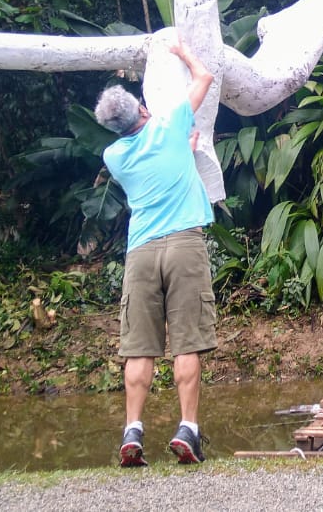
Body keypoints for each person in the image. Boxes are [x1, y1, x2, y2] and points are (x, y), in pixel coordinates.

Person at [93, 39, 217, 467]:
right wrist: (183, 51)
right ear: (141, 109)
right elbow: (205, 77)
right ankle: (188, 430)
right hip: (184, 243)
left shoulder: (113, 156)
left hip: (141, 251)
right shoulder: (169, 125)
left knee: (139, 347)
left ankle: (132, 432)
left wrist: (182, 150)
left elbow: (152, 164)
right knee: (187, 342)